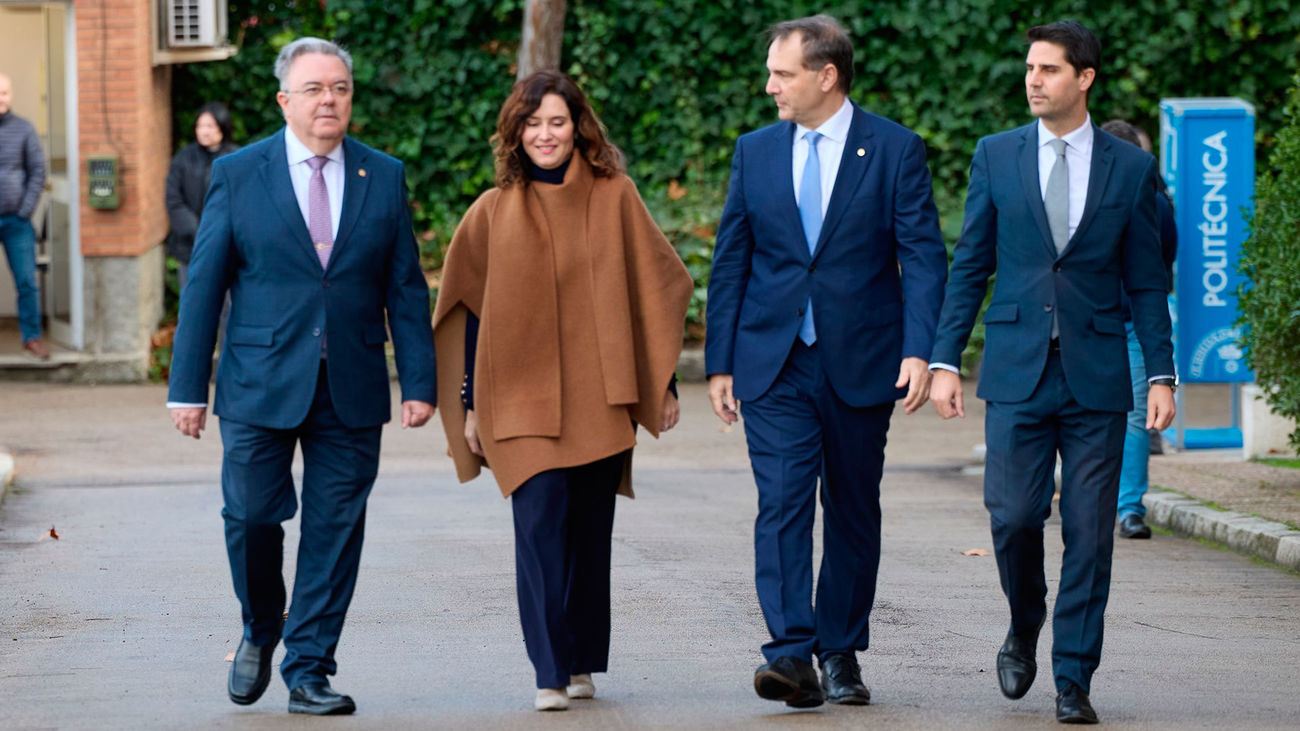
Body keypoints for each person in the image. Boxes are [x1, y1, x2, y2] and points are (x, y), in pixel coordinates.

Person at [166, 38, 436, 716]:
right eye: (315, 88)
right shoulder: (239, 173)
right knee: (251, 517)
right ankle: (262, 625)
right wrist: (188, 387)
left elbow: (405, 286)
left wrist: (420, 381)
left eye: (340, 87)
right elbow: (204, 285)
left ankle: (310, 667)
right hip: (257, 380)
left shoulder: (383, 175)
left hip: (352, 380)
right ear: (285, 99)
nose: (329, 100)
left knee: (334, 530)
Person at [928, 21, 1176, 724]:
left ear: (1085, 77)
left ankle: (1074, 676)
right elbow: (970, 264)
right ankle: (1024, 619)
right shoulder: (997, 154)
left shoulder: (1129, 169)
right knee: (1012, 518)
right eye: (1030, 68)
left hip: (1097, 372)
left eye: (1049, 69)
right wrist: (945, 359)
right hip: (1016, 369)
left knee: (1091, 534)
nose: (1033, 80)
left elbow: (1147, 280)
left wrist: (1161, 373)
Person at [704, 14, 948, 709]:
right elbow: (732, 260)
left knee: (851, 507)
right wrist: (720, 362)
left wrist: (921, 350)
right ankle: (790, 652)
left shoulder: (894, 149)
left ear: (827, 75)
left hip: (863, 360)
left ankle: (839, 650)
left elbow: (923, 256)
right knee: (782, 501)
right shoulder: (754, 151)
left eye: (782, 74)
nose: (770, 87)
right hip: (773, 360)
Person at [433, 70, 692, 712]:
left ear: (578, 127)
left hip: (599, 400)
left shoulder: (615, 196)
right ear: (515, 133)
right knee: (540, 528)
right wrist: (468, 407)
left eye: (556, 121)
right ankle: (548, 672)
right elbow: (467, 313)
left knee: (587, 536)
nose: (544, 134)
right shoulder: (491, 211)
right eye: (532, 123)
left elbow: (658, 286)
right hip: (516, 401)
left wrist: (661, 383)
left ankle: (579, 659)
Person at [1100, 119, 1178, 540]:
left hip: (1102, 321)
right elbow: (1163, 265)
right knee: (1132, 417)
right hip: (1127, 321)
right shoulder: (1159, 202)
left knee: (1112, 415)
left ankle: (1118, 504)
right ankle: (1128, 508)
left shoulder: (1087, 197)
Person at [0, 71, 49, 360]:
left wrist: (25, 209)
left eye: (4, 93)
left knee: (26, 281)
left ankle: (31, 337)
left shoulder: (24, 129)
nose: (0, 98)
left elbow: (38, 171)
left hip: (16, 221)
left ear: (11, 95)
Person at [166, 102, 239, 291]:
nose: (204, 131)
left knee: (225, 302)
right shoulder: (184, 158)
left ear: (222, 127)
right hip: (190, 248)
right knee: (192, 297)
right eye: (200, 126)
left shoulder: (236, 158)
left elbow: (242, 202)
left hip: (225, 247)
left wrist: (220, 234)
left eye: (210, 126)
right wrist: (197, 232)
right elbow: (173, 200)